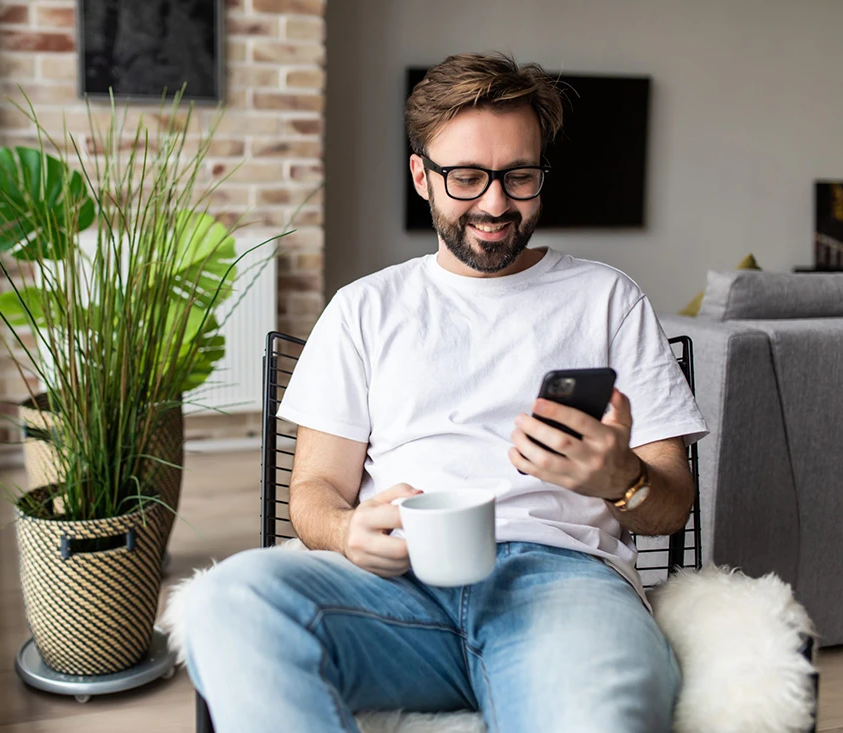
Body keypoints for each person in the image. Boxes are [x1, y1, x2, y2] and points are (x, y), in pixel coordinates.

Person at [184, 52, 708, 733]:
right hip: (394, 596)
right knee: (226, 599)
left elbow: (670, 505)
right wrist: (346, 530)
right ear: (421, 177)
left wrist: (623, 478)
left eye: (519, 176)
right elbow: (313, 490)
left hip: (562, 589)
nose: (495, 203)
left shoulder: (607, 299)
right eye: (466, 177)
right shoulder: (364, 307)